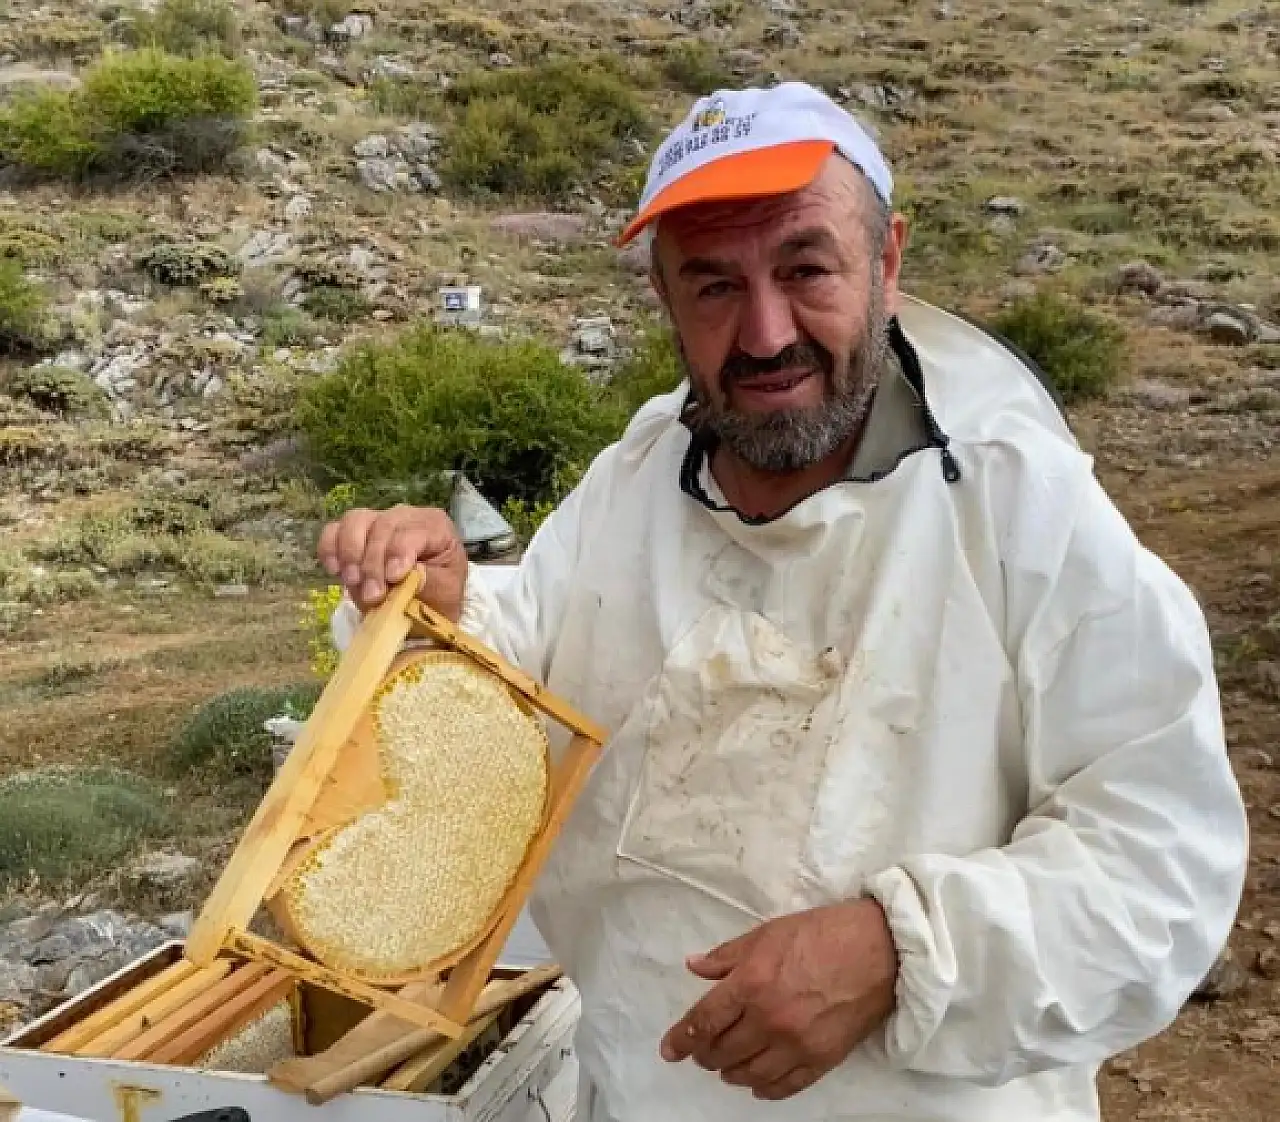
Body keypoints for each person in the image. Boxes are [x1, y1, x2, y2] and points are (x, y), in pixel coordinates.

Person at [318, 82, 1249, 1122]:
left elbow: (1159, 870)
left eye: (805, 269)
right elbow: (519, 686)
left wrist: (900, 951)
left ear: (886, 263)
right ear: (663, 301)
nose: (763, 335)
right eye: (712, 287)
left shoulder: (1023, 510)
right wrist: (438, 610)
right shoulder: (631, 480)